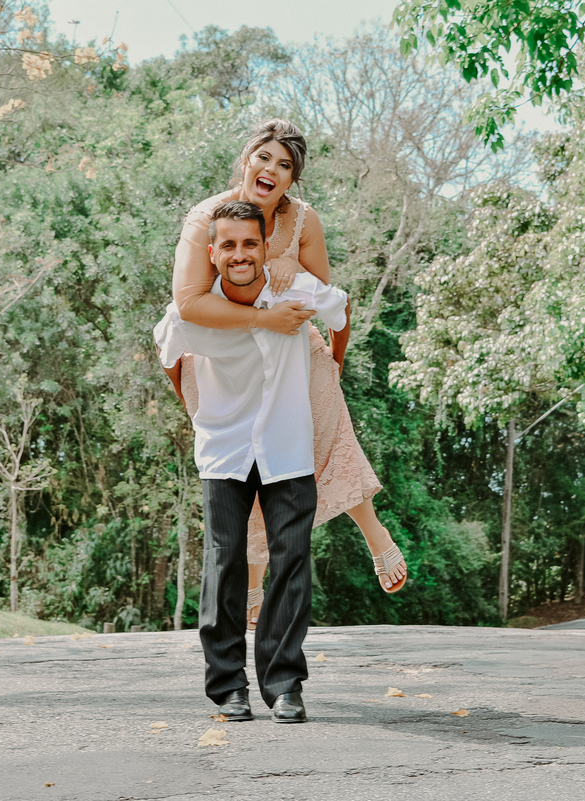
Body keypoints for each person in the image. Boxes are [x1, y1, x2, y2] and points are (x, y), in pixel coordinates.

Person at [173, 119, 406, 630]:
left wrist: (290, 274)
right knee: (245, 469)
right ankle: (253, 583)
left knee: (329, 427)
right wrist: (258, 312)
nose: (271, 170)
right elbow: (188, 303)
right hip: (228, 355)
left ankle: (375, 535)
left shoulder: (302, 220)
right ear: (246, 159)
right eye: (264, 158)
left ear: (292, 180)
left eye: (284, 166)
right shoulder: (208, 217)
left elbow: (321, 289)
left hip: (289, 347)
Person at [155, 201, 350, 723]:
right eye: (229, 245)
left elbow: (341, 312)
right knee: (225, 562)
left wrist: (333, 369)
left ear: (266, 247)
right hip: (225, 450)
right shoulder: (193, 310)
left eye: (249, 243)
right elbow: (169, 355)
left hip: (288, 446)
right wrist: (198, 414)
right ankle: (227, 688)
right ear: (213, 253)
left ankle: (285, 685)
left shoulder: (296, 290)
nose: (240, 254)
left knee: (291, 563)